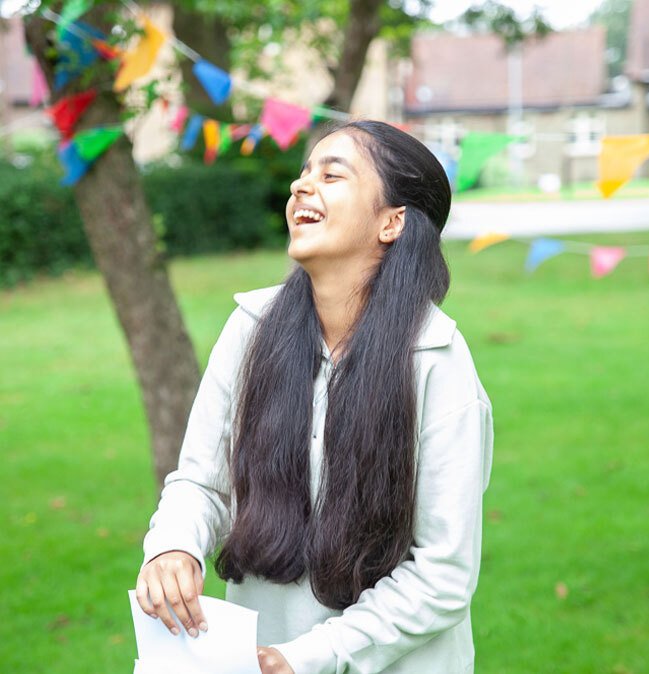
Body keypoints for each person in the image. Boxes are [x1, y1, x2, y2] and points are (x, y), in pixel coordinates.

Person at [135, 119, 494, 674]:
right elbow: (202, 480)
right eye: (303, 174)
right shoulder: (251, 327)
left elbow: (442, 574)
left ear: (392, 222)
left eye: (332, 175)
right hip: (254, 657)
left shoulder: (435, 359)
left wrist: (307, 657)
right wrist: (173, 544)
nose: (302, 187)